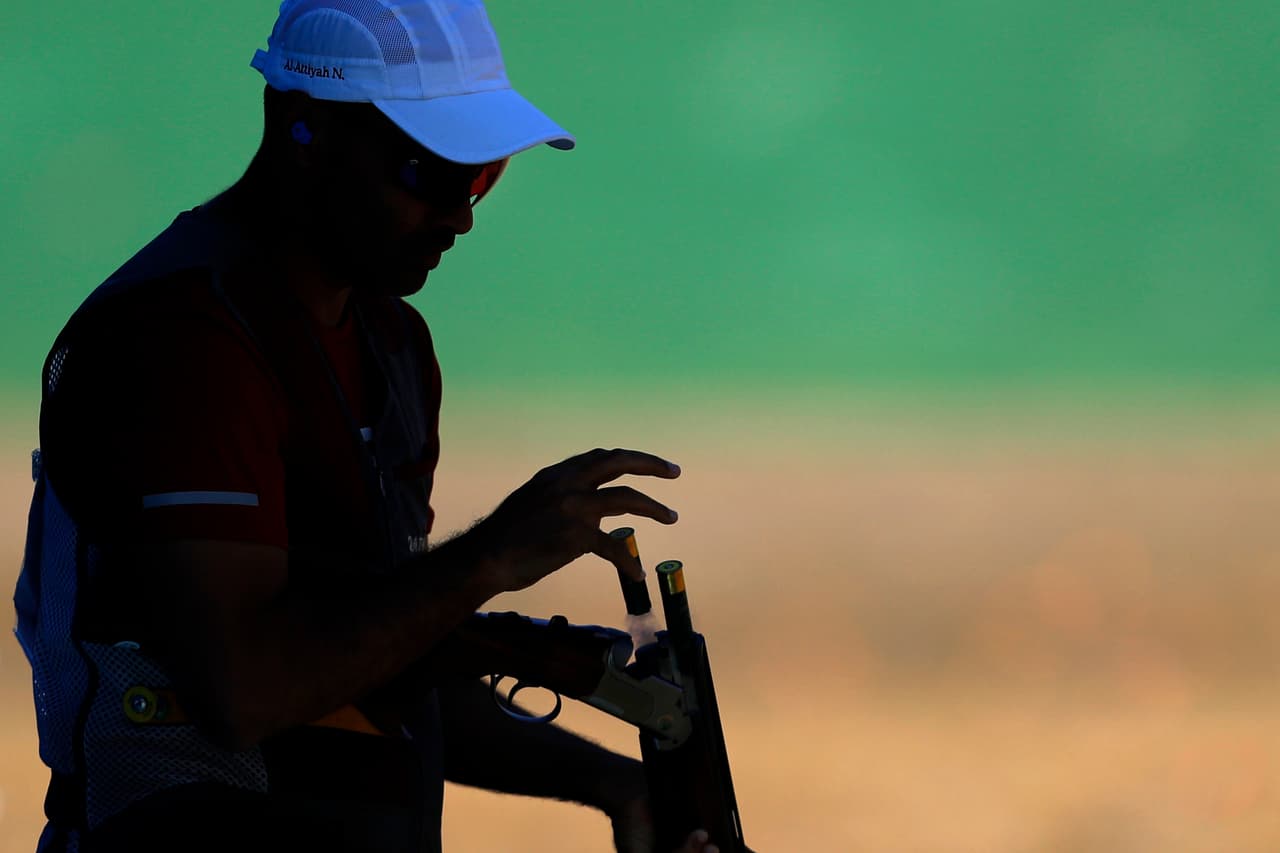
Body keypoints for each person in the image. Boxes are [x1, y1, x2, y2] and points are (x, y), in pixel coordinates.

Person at [13, 1, 720, 851]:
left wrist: (614, 778)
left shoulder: (390, 341)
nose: (461, 215)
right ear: (302, 128)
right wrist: (491, 558)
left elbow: (372, 655)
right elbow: (247, 691)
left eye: (484, 175)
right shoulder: (185, 340)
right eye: (433, 174)